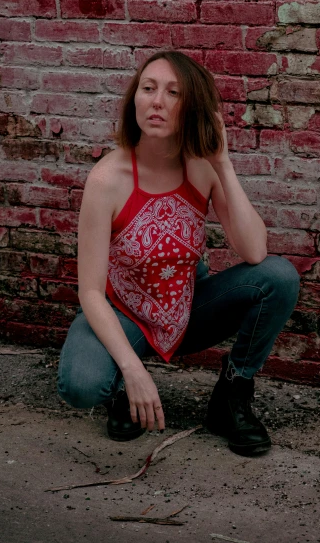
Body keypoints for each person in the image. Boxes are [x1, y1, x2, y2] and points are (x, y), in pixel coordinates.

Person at [57, 50, 300, 456]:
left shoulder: (201, 167)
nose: (157, 101)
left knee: (278, 277)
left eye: (173, 92)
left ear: (192, 107)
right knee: (81, 385)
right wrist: (134, 372)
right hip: (123, 313)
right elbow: (90, 293)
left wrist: (222, 163)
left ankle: (232, 395)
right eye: (148, 89)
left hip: (186, 310)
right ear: (134, 99)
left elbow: (255, 250)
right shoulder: (106, 180)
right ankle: (121, 388)